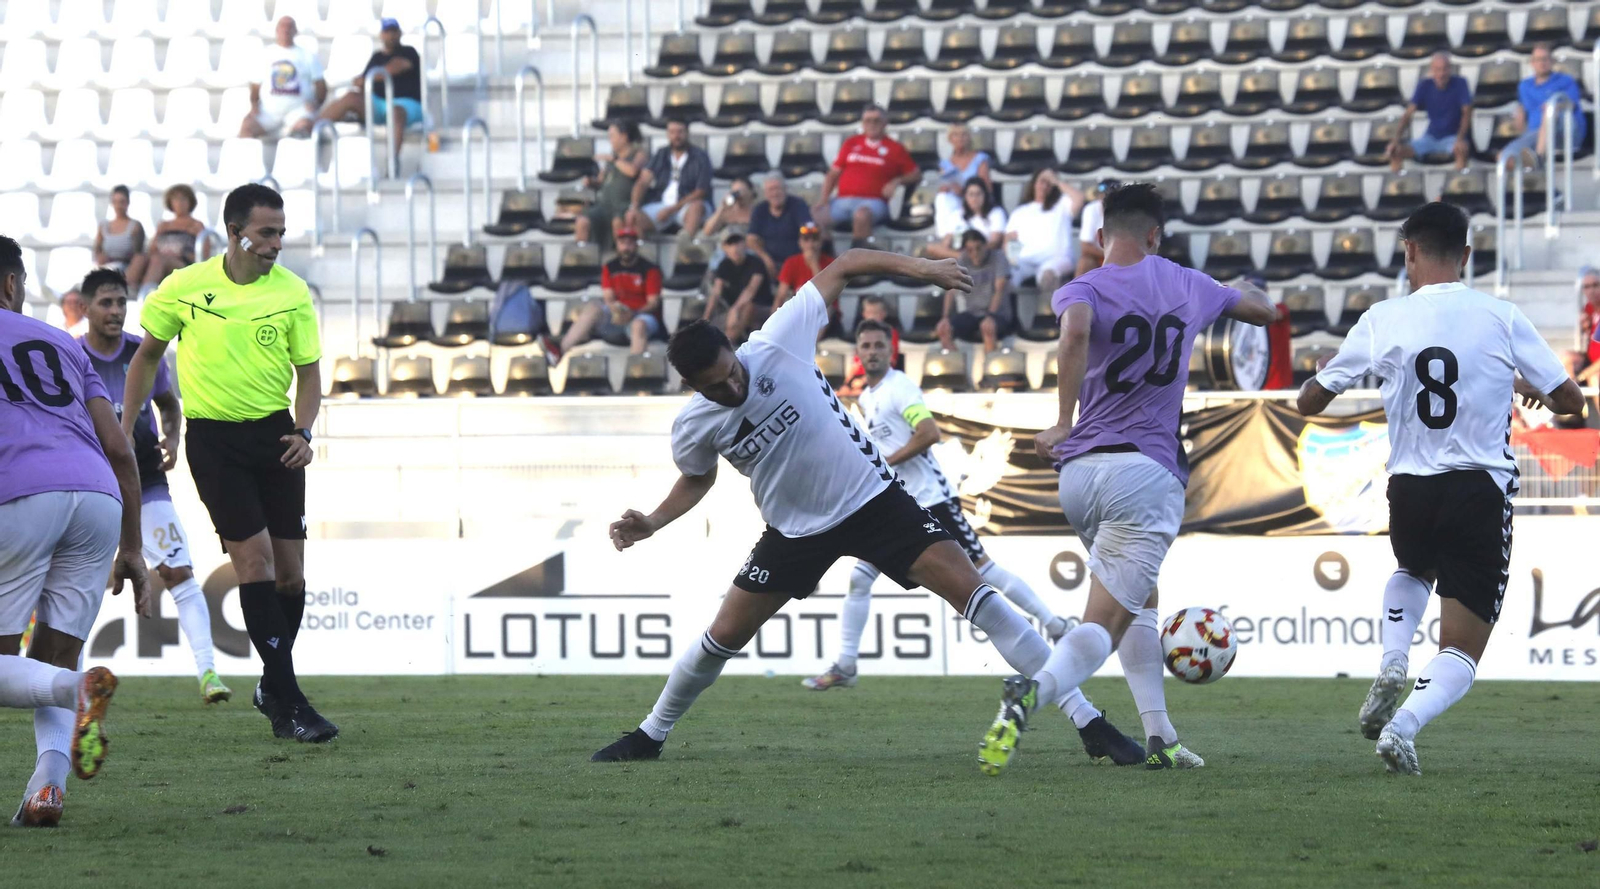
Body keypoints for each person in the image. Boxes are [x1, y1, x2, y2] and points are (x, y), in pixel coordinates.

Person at [590, 249, 1063, 763]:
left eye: (731, 372)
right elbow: (697, 476)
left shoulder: (776, 340)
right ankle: (650, 735)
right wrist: (654, 521)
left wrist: (924, 269)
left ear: (734, 347)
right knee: (722, 634)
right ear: (690, 387)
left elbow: (848, 262)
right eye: (716, 387)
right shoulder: (694, 425)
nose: (733, 387)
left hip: (873, 500)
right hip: (794, 533)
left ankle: (1088, 719)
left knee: (978, 592)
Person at [977, 184, 1277, 776]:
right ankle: (1031, 694)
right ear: (1156, 235)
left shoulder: (1082, 286)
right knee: (1103, 623)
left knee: (1142, 600)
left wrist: (1063, 422)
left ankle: (1160, 737)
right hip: (1143, 473)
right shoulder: (1186, 282)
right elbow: (1262, 310)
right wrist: (1231, 289)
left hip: (1080, 475)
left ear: (1098, 237)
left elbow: (1075, 331)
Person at [1295, 202, 1583, 776]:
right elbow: (1572, 403)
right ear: (1468, 257)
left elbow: (1310, 401)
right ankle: (1403, 726)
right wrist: (1526, 384)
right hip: (1478, 485)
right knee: (1462, 644)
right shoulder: (1500, 316)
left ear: (1410, 253)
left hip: (1410, 487)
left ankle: (1393, 657)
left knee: (1413, 568)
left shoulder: (1383, 318)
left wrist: (1331, 373)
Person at [805, 319, 1146, 765]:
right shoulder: (867, 397)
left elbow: (929, 433)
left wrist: (882, 462)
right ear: (857, 352)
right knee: (861, 578)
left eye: (877, 345)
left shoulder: (899, 388)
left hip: (931, 501)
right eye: (864, 345)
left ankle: (1053, 623)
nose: (870, 352)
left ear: (891, 350)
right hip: (892, 507)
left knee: (983, 574)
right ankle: (846, 664)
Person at [120, 184, 337, 743]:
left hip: (278, 438)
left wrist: (305, 430)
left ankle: (273, 684)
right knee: (257, 563)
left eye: (281, 233)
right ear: (236, 232)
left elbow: (310, 373)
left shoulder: (292, 293)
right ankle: (290, 703)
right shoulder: (185, 288)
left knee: (291, 576)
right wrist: (125, 425)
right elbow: (146, 358)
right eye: (267, 232)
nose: (277, 244)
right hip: (215, 443)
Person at [0, 234, 146, 827]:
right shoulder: (62, 341)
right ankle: (47, 790)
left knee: (25, 668)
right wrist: (133, 546)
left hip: (19, 493)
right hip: (98, 497)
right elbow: (121, 446)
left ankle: (79, 690)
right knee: (55, 656)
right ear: (12, 284)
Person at [76, 267, 230, 705]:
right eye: (106, 302)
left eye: (122, 302)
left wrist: (173, 437)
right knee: (78, 582)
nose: (116, 311)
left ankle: (208, 673)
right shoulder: (70, 356)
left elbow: (168, 403)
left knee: (179, 571)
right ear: (85, 307)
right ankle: (70, 684)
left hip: (145, 481)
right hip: (91, 483)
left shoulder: (143, 353)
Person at [541, 228, 663, 364]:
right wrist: (617, 310)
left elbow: (653, 303)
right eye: (622, 243)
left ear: (636, 246)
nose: (626, 247)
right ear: (617, 245)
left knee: (638, 325)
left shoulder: (650, 269)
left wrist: (632, 313)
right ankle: (560, 351)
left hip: (642, 316)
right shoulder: (610, 267)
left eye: (630, 243)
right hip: (617, 315)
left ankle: (635, 370)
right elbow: (608, 298)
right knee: (593, 307)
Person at [315, 18, 422, 166]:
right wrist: (362, 81)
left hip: (406, 104)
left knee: (396, 112)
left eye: (393, 31)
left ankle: (392, 162)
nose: (390, 35)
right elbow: (362, 83)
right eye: (387, 32)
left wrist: (370, 78)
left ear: (399, 33)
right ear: (381, 35)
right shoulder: (376, 57)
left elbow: (396, 67)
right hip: (378, 104)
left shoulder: (409, 52)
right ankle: (311, 129)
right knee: (351, 97)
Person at [813, 105, 921, 245]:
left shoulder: (895, 148)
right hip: (843, 200)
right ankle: (828, 259)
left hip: (873, 202)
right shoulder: (851, 143)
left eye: (876, 120)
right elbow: (833, 174)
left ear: (885, 123)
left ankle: (857, 262)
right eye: (867, 121)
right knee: (813, 216)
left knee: (861, 215)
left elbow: (916, 174)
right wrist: (824, 199)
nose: (871, 124)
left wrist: (897, 181)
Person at [1502, 44, 1588, 169]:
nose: (1542, 63)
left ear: (1552, 61)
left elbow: (1572, 104)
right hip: (1535, 134)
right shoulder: (1525, 86)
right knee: (1504, 157)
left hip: (1565, 132)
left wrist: (1555, 107)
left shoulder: (1565, 80)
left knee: (1550, 111)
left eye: (1545, 59)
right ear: (1532, 63)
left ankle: (1539, 158)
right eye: (1538, 59)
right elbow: (1523, 111)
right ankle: (1538, 183)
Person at [240, 15, 326, 140]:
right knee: (246, 127)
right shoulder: (265, 55)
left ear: (295, 31)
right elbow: (255, 86)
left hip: (298, 111)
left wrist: (316, 103)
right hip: (269, 112)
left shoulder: (307, 56)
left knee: (305, 128)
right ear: (277, 30)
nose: (286, 30)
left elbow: (320, 84)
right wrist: (254, 105)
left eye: (290, 26)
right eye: (282, 26)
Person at [629, 119, 713, 244]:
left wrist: (671, 210)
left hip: (687, 204)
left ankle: (684, 251)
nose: (676, 136)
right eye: (672, 132)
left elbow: (700, 192)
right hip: (662, 204)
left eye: (680, 132)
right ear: (668, 134)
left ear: (687, 133)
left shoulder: (700, 156)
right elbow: (642, 181)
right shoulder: (661, 154)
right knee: (632, 217)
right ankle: (644, 252)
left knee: (697, 207)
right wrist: (634, 206)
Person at [1386, 52, 1472, 173]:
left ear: (1450, 69)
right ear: (1432, 70)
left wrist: (1460, 138)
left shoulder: (1460, 83)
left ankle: (1457, 187)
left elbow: (1467, 113)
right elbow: (1408, 114)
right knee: (1395, 151)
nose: (1441, 74)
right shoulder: (1424, 85)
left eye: (1444, 69)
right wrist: (1396, 140)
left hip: (1452, 138)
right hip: (1430, 137)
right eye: (1437, 70)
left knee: (1461, 149)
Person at [1005, 168, 1083, 297]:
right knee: (1003, 277)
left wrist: (1056, 181)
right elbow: (1010, 240)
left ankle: (1051, 316)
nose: (1044, 185)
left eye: (1048, 183)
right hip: (1025, 261)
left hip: (1056, 259)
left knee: (1048, 277)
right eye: (1041, 181)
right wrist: (1013, 261)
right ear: (1034, 183)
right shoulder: (1020, 211)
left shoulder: (1062, 205)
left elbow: (1079, 198)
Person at [574, 122, 649, 250]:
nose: (610, 140)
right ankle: (584, 259)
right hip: (603, 206)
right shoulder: (613, 157)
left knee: (617, 222)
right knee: (582, 222)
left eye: (612, 136)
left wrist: (613, 160)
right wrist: (592, 182)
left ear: (624, 137)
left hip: (623, 206)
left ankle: (620, 261)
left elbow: (633, 171)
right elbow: (601, 181)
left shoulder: (639, 153)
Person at [937, 229, 1013, 354]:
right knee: (943, 329)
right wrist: (945, 317)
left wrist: (991, 316)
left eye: (978, 248)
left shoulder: (998, 257)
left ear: (985, 245)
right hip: (972, 314)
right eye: (970, 250)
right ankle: (957, 367)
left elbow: (999, 290)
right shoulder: (963, 260)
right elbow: (951, 290)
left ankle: (989, 367)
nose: (975, 253)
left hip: (998, 314)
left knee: (987, 327)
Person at [136, 185, 205, 297]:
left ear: (190, 201)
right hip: (160, 260)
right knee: (139, 258)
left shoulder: (196, 225)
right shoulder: (163, 225)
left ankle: (146, 295)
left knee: (159, 260)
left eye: (183, 199)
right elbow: (151, 250)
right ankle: (128, 288)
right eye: (175, 199)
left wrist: (179, 253)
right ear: (170, 202)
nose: (179, 202)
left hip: (184, 265)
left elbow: (203, 257)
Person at [705, 231, 772, 344]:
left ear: (744, 245)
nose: (734, 248)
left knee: (747, 308)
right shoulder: (724, 265)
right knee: (715, 323)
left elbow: (751, 290)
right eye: (730, 244)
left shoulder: (756, 263)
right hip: (733, 310)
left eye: (737, 243)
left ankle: (729, 344)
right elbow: (716, 292)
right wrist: (705, 318)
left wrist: (735, 309)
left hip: (761, 307)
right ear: (724, 248)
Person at [933, 122, 994, 234]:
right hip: (954, 201)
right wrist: (944, 188)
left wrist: (964, 191)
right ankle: (945, 235)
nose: (960, 138)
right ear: (950, 139)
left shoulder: (980, 159)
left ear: (969, 138)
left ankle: (948, 235)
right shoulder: (945, 163)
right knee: (942, 197)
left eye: (963, 135)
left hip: (974, 200)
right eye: (956, 135)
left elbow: (987, 188)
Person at [745, 175, 811, 278]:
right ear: (765, 193)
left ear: (785, 189)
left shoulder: (798, 205)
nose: (775, 193)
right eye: (771, 189)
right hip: (769, 262)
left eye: (778, 188)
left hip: (796, 260)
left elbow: (808, 230)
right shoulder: (760, 209)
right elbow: (751, 239)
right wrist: (765, 258)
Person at [928, 177, 1007, 260]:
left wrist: (975, 251)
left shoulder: (997, 212)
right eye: (971, 194)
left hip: (984, 255)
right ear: (965, 197)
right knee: (931, 248)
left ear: (985, 195)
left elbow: (994, 243)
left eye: (978, 194)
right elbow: (946, 243)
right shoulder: (957, 215)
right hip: (960, 254)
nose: (974, 198)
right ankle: (966, 259)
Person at [840, 294, 901, 395]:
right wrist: (846, 383)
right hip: (859, 377)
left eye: (876, 313)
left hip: (878, 375)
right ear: (864, 314)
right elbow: (856, 364)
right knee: (842, 394)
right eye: (869, 313)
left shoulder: (890, 333)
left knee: (857, 393)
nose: (872, 316)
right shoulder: (862, 334)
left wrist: (863, 381)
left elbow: (889, 363)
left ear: (883, 314)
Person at [95, 185, 145, 276]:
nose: (118, 206)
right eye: (115, 202)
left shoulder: (135, 226)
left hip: (126, 268)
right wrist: (100, 258)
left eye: (122, 202)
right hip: (106, 266)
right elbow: (97, 250)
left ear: (128, 203)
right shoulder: (104, 226)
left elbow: (138, 255)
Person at [1075, 180, 1118, 278]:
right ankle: (1074, 293)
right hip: (1099, 256)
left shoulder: (1129, 212)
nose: (1106, 197)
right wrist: (1110, 256)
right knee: (1084, 263)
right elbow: (1085, 247)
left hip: (1124, 259)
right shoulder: (1091, 210)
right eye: (1103, 194)